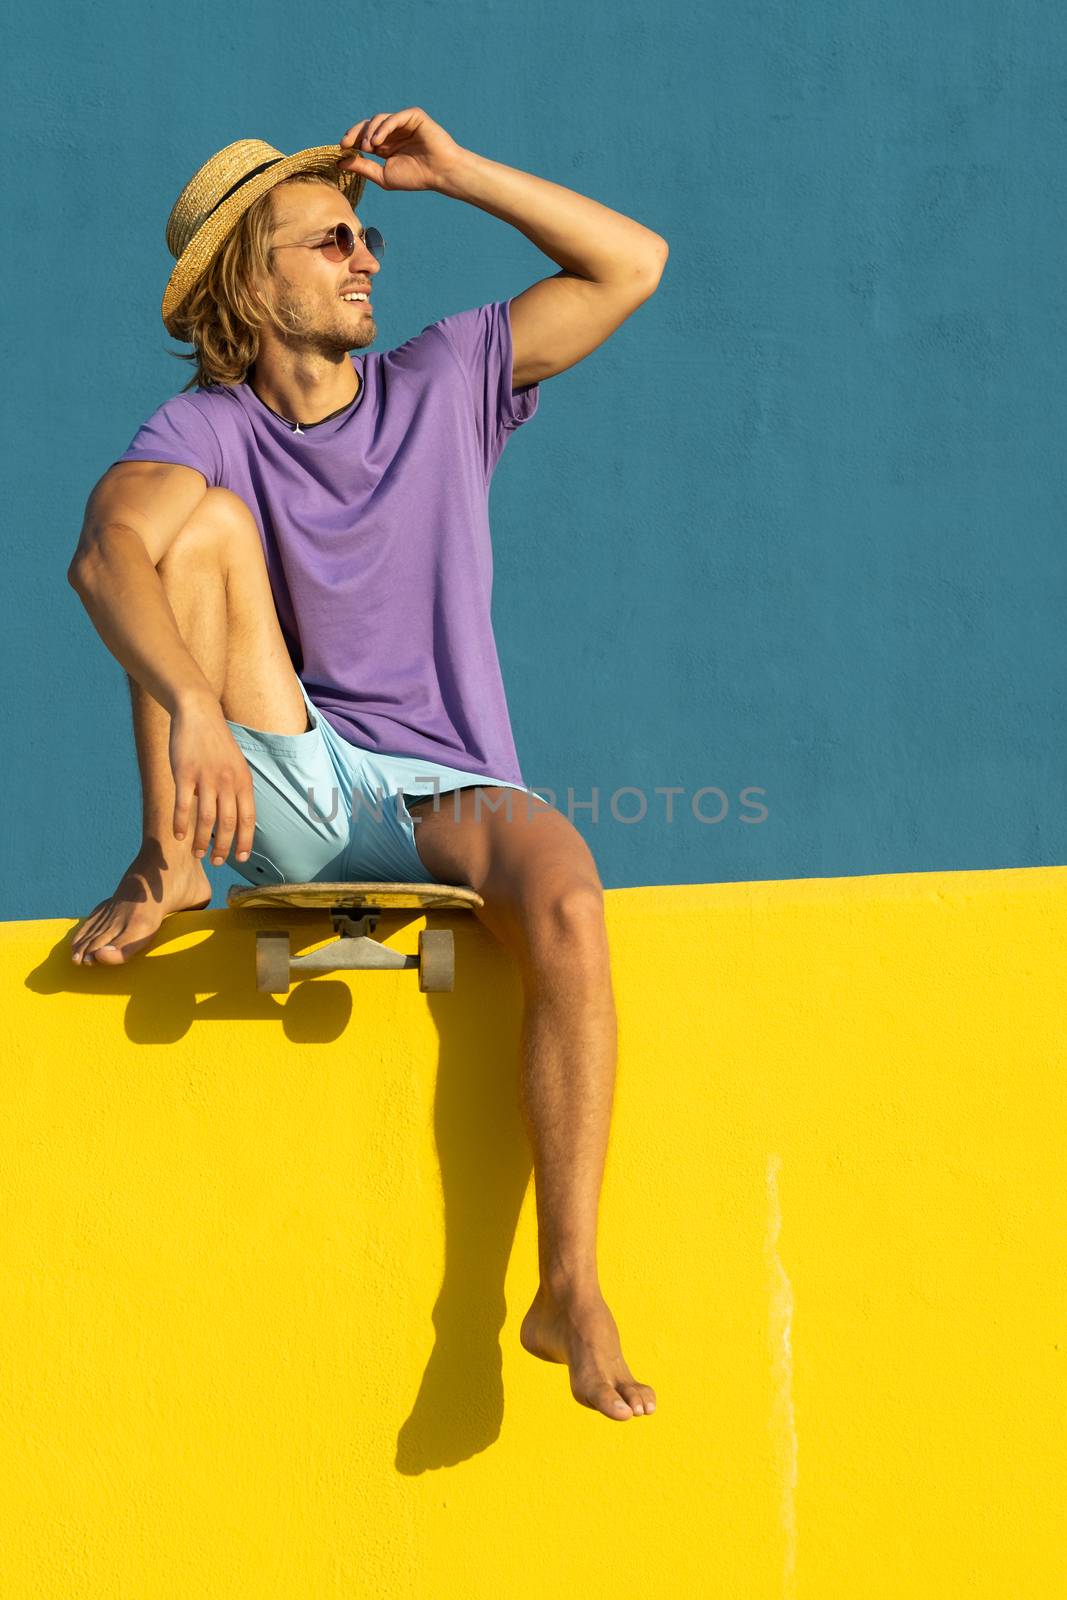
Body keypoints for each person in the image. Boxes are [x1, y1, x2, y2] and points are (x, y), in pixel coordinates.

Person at [67, 108, 667, 1422]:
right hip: (286, 781)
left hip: (445, 791)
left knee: (566, 890)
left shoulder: (448, 379)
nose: (367, 256)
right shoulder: (208, 430)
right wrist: (192, 708)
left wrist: (456, 173)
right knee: (197, 533)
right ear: (250, 276)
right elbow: (106, 554)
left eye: (369, 232)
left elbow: (633, 263)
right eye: (331, 237)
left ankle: (567, 1281)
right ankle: (168, 860)